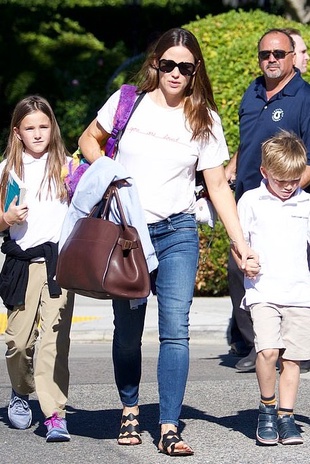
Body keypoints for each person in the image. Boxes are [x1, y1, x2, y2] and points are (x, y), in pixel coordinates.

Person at [76, 27, 258, 456]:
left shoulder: (205, 119)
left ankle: (170, 425)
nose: (176, 73)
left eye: (186, 67)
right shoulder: (127, 102)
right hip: (129, 235)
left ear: (195, 72)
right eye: (169, 64)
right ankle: (129, 408)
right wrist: (111, 177)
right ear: (155, 64)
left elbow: (217, 186)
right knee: (128, 330)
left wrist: (240, 242)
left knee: (176, 330)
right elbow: (88, 140)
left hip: (178, 232)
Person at [225, 28, 310, 372]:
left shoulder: (304, 97)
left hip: (287, 203)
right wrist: (231, 165)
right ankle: (256, 344)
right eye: (265, 54)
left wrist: (287, 193)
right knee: (241, 268)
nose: (271, 59)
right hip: (247, 198)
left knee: (289, 272)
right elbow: (248, 140)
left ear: (293, 57)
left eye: (278, 53)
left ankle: (295, 348)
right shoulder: (253, 90)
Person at [0, 95, 75, 442]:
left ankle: (54, 414)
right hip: (22, 264)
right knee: (17, 341)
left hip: (59, 264)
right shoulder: (6, 171)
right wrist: (6, 219)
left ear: (52, 128)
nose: (38, 133)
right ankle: (20, 389)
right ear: (17, 132)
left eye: (44, 126)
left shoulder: (67, 165)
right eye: (30, 128)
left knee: (52, 340)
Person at [234, 130, 310, 445]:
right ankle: (267, 409)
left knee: (292, 359)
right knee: (267, 351)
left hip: (300, 293)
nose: (289, 186)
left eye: (294, 180)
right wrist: (243, 261)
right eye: (282, 180)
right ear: (265, 173)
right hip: (263, 291)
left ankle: (286, 416)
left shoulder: (306, 203)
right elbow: (238, 244)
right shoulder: (251, 201)